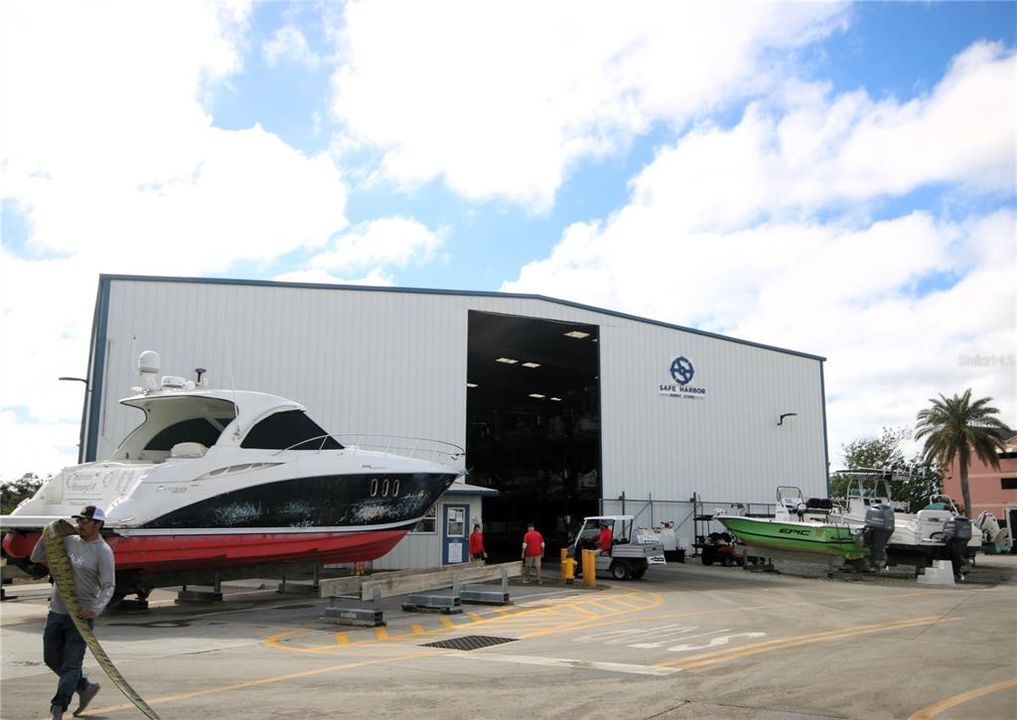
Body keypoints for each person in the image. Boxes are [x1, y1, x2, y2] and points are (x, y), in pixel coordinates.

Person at [30, 505, 116, 720]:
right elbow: (35, 556)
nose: (80, 525)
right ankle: (85, 687)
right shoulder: (68, 541)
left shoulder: (103, 552)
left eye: (85, 521)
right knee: (50, 658)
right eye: (79, 520)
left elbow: (108, 586)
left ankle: (58, 707)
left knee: (71, 663)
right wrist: (48, 533)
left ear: (98, 524)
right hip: (57, 611)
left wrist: (95, 610)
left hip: (80, 616)